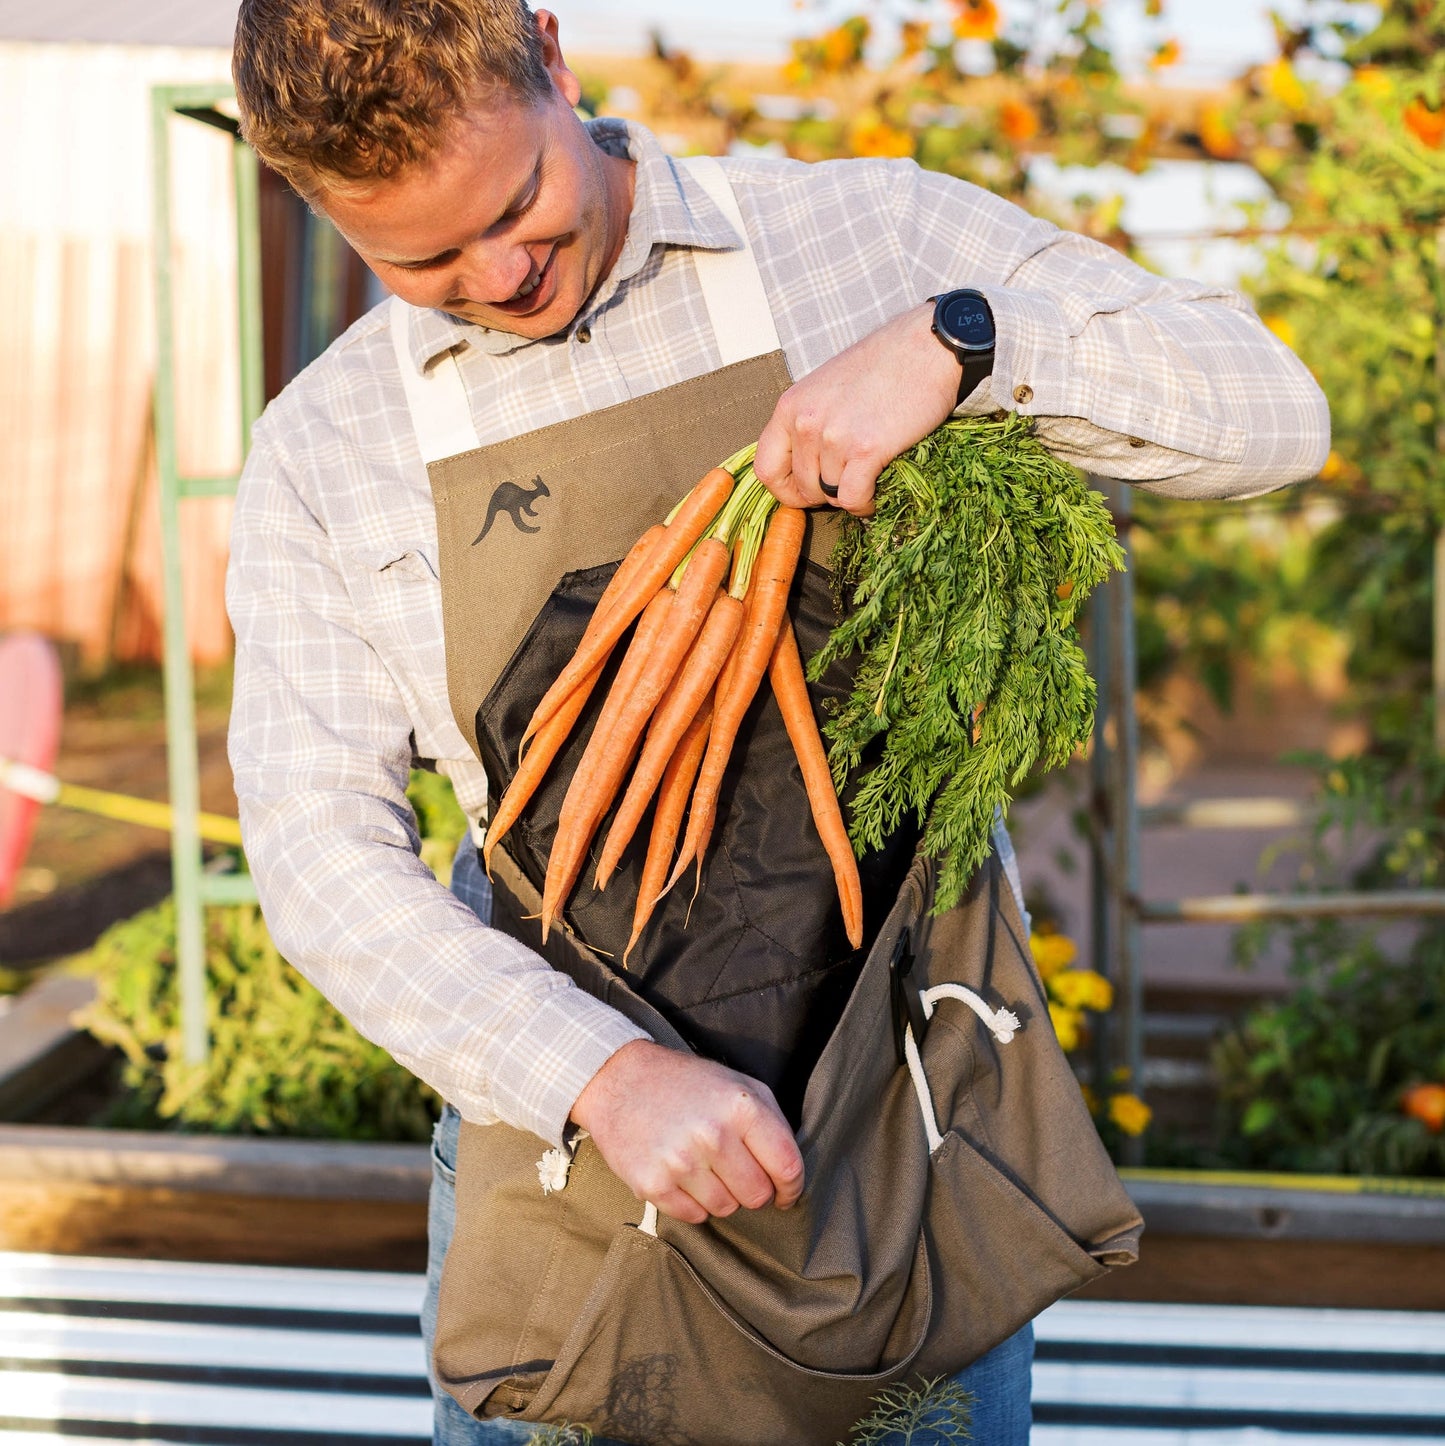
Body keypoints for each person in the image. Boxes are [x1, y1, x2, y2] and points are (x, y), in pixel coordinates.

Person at [226, 4, 1330, 1442]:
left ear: (552, 62)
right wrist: (601, 1076)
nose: (500, 277)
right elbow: (317, 856)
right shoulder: (327, 448)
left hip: (904, 1159)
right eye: (418, 262)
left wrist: (963, 343)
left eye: (517, 210)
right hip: (573, 1189)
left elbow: (1275, 412)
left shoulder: (853, 240)